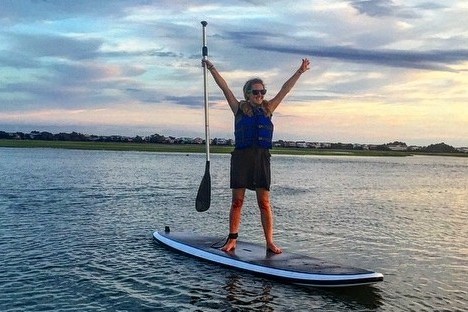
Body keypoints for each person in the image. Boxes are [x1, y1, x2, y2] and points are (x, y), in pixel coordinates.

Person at [203, 57, 311, 253]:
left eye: (262, 92)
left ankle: (269, 242)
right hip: (241, 158)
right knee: (237, 201)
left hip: (262, 158)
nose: (260, 95)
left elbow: (285, 90)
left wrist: (300, 71)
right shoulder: (238, 109)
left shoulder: (268, 109)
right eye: (256, 92)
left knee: (264, 202)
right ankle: (233, 239)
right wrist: (211, 67)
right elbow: (224, 88)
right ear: (248, 94)